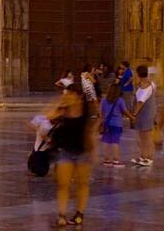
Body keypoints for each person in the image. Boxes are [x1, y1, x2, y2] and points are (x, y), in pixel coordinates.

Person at [46, 82, 94, 225]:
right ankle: (61, 215)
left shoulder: (86, 111)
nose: (68, 97)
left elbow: (90, 131)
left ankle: (80, 213)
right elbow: (48, 116)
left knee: (82, 184)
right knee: (63, 184)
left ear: (79, 96)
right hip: (65, 151)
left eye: (70, 94)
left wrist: (93, 150)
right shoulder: (64, 110)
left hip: (82, 151)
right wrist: (59, 103)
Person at [130, 67, 158, 167]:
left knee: (147, 137)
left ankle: (149, 158)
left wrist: (133, 114)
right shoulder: (150, 84)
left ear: (138, 74)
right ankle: (143, 156)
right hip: (146, 114)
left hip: (145, 115)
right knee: (143, 137)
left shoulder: (145, 87)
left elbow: (140, 102)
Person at [98, 82, 129, 167]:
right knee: (115, 142)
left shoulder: (104, 99)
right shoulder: (120, 100)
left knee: (106, 141)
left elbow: (100, 112)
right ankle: (115, 160)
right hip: (117, 124)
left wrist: (102, 121)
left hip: (106, 124)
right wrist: (131, 117)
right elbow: (125, 111)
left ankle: (106, 160)